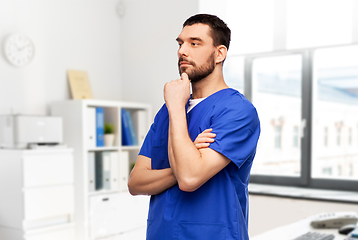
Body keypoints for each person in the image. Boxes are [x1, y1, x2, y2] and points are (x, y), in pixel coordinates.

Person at [128, 13, 260, 240]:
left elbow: (189, 179)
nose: (182, 51)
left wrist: (177, 109)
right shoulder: (167, 111)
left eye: (194, 43)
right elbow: (136, 182)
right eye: (180, 43)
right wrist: (182, 163)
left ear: (219, 53)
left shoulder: (238, 111)